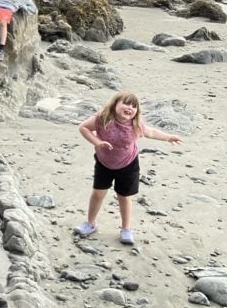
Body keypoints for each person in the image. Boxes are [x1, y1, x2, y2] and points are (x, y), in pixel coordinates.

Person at [74, 92, 183, 245]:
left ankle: (126, 228)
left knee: (124, 196)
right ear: (115, 105)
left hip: (128, 164)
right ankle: (90, 223)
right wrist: (97, 142)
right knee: (98, 193)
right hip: (104, 162)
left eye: (134, 106)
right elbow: (83, 127)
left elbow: (151, 132)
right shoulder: (102, 118)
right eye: (126, 103)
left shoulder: (135, 125)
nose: (130, 108)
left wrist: (168, 137)